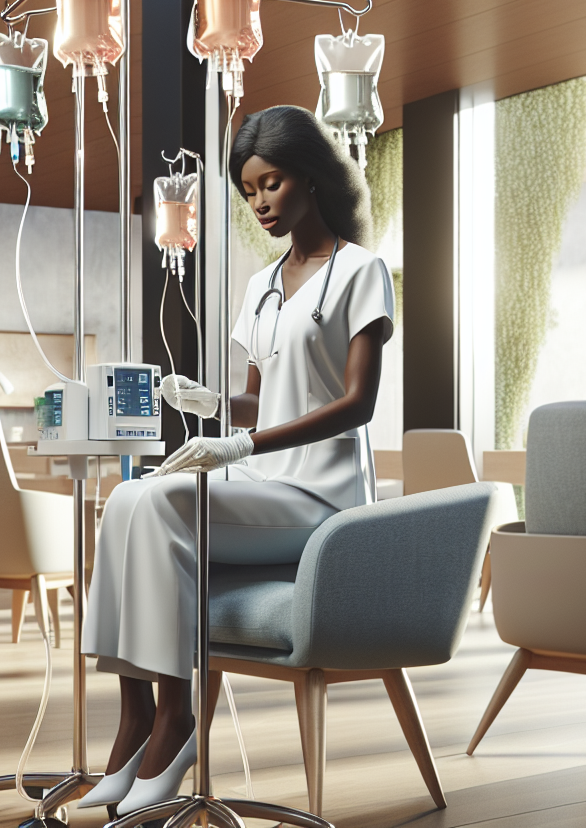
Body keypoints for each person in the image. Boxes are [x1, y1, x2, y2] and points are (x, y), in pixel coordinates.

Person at [79, 105, 395, 815]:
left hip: (323, 501)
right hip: (264, 484)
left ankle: (176, 716)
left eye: (272, 183)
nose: (260, 203)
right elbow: (263, 402)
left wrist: (240, 444)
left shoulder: (360, 271)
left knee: (159, 502)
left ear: (311, 177)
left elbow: (357, 404)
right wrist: (214, 403)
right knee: (129, 496)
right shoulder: (260, 287)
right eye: (249, 190)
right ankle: (136, 713)